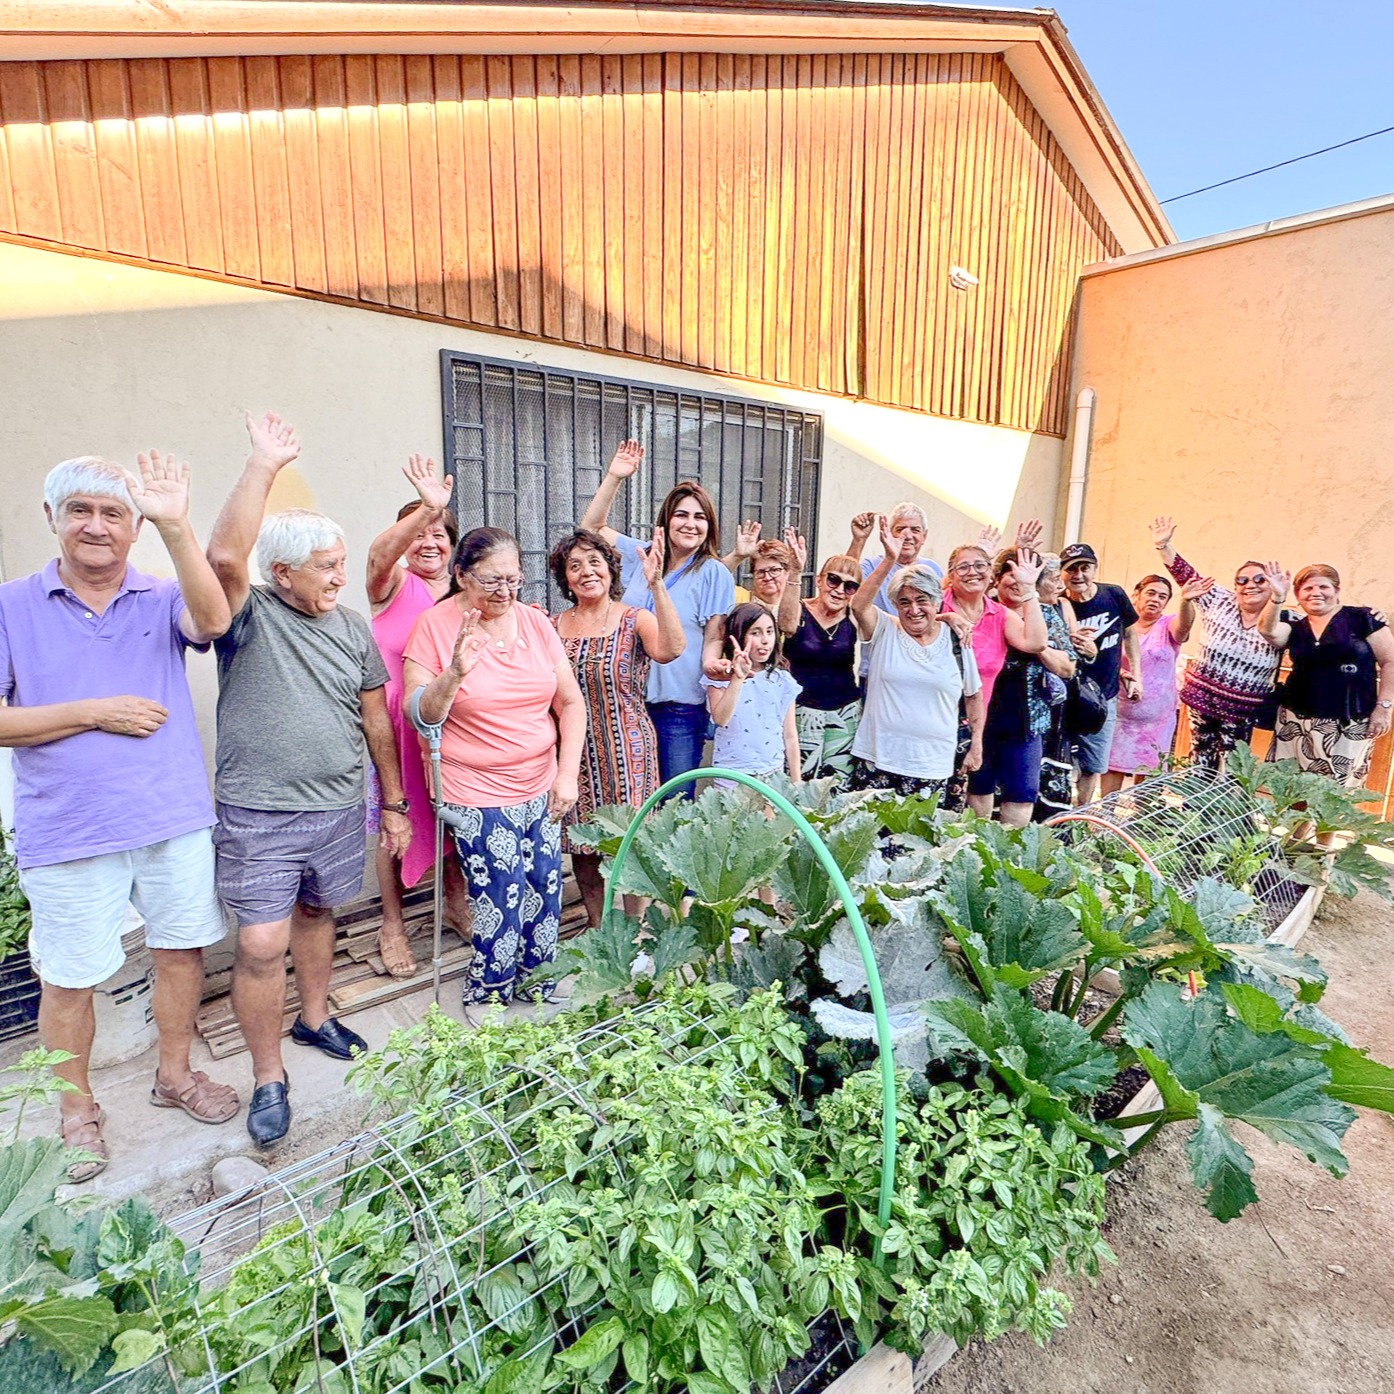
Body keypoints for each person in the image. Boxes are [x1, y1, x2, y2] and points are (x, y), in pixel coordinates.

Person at [0, 452, 239, 1181]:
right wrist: (92, 713)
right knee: (68, 979)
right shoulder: (12, 605)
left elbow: (214, 618)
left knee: (180, 951)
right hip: (68, 829)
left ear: (134, 527)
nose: (97, 527)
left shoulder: (162, 592)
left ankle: (174, 1075)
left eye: (114, 513)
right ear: (52, 519)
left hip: (169, 817)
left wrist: (175, 525)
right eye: (81, 511)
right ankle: (76, 1112)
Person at [207, 412, 412, 1148]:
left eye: (340, 561)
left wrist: (392, 803)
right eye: (325, 564)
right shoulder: (247, 614)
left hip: (335, 808)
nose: (337, 575)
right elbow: (223, 559)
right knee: (261, 946)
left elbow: (376, 721)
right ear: (282, 572)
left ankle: (315, 1017)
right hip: (259, 814)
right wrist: (262, 464)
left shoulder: (353, 626)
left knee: (319, 914)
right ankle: (268, 1074)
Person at [403, 528, 586, 1020]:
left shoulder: (535, 623)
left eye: (513, 580)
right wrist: (455, 672)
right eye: (491, 581)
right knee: (500, 893)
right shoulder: (436, 627)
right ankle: (488, 989)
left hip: (541, 781)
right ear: (461, 576)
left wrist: (566, 774)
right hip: (476, 788)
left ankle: (538, 980)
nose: (505, 592)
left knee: (546, 884)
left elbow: (570, 702)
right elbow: (419, 713)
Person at [364, 454, 471, 976]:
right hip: (394, 729)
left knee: (452, 816)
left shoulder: (460, 594)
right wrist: (427, 507)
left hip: (450, 726)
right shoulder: (391, 585)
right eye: (419, 534)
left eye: (440, 534)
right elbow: (376, 555)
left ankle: (454, 902)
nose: (429, 543)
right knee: (395, 821)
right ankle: (392, 924)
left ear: (454, 549)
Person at [580, 440, 735, 796]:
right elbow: (590, 530)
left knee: (673, 802)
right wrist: (615, 477)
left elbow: (714, 635)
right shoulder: (640, 556)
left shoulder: (713, 572)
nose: (690, 524)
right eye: (682, 514)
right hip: (630, 701)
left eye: (700, 517)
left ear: (709, 526)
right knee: (630, 798)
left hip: (679, 707)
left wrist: (712, 665)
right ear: (666, 519)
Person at [550, 526, 684, 927]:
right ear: (565, 578)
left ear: (610, 569)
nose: (586, 571)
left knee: (630, 842)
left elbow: (672, 649)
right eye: (574, 566)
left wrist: (657, 585)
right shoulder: (554, 625)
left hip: (628, 748)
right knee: (582, 843)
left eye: (594, 562)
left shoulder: (633, 618)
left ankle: (633, 927)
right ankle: (598, 925)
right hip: (574, 751)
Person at [848, 520, 984, 799]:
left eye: (921, 600)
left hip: (933, 767)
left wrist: (977, 744)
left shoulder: (957, 640)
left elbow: (973, 695)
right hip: (879, 761)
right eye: (904, 602)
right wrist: (889, 559)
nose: (913, 609)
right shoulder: (885, 629)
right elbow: (859, 605)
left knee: (922, 842)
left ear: (937, 602)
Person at [1147, 516, 1282, 771]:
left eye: (1259, 580)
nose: (1250, 585)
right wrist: (1164, 546)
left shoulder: (1282, 615)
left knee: (1235, 771)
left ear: (1271, 585)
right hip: (1202, 700)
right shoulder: (1219, 600)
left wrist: (1368, 620)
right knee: (1200, 765)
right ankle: (1193, 810)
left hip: (1243, 709)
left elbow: (1320, 619)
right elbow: (1185, 576)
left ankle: (1229, 811)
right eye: (1242, 580)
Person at [1258, 562, 1394, 789]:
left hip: (1349, 720)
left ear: (1337, 591)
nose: (1316, 593)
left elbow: (1390, 661)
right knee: (1289, 789)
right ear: (1298, 596)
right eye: (1307, 589)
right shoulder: (1296, 627)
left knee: (1333, 795)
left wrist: (1385, 707)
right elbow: (1268, 631)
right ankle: (1289, 827)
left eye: (1323, 586)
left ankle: (1316, 827)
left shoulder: (1364, 619)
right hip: (1296, 720)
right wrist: (1278, 596)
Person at [968, 548, 1067, 828]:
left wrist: (1036, 645)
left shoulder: (1046, 616)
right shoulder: (982, 610)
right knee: (978, 787)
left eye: (1022, 577)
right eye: (1008, 574)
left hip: (1026, 720)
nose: (1015, 581)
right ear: (996, 579)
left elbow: (1067, 667)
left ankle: (1008, 860)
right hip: (981, 717)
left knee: (1021, 794)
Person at [1060, 542, 1142, 804]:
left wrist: (1133, 673)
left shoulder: (1114, 595)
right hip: (1068, 695)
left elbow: (1129, 634)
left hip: (1103, 696)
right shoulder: (1059, 605)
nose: (1078, 575)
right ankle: (1058, 810)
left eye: (1085, 568)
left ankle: (1080, 815)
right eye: (1071, 569)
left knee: (1093, 763)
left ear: (1094, 568)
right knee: (1061, 759)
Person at [1102, 574, 1189, 793]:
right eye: (1150, 593)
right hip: (1119, 716)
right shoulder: (1117, 623)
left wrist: (1187, 600)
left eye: (1163, 596)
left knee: (1148, 786)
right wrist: (1121, 672)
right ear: (1136, 595)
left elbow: (1184, 627)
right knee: (1111, 774)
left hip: (1157, 719)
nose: (1155, 599)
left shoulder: (1167, 625)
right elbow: (1102, 660)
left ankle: (1141, 826)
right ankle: (1101, 826)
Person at [780, 553, 862, 784]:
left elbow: (895, 624)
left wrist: (946, 618)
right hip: (802, 711)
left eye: (850, 586)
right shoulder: (799, 609)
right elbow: (785, 626)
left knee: (839, 785)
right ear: (819, 580)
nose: (839, 590)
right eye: (833, 580)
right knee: (800, 782)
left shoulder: (854, 618)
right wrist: (795, 571)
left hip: (844, 713)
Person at [702, 603, 802, 786]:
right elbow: (720, 718)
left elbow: (790, 734)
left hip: (772, 773)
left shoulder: (782, 680)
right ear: (738, 635)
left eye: (770, 632)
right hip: (732, 773)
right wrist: (737, 678)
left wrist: (796, 780)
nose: (765, 640)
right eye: (755, 633)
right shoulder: (719, 675)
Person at [1033, 555, 1082, 820]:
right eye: (1053, 580)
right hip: (1028, 710)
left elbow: (1069, 665)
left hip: (1053, 713)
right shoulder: (1024, 611)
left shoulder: (1054, 611)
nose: (1060, 586)